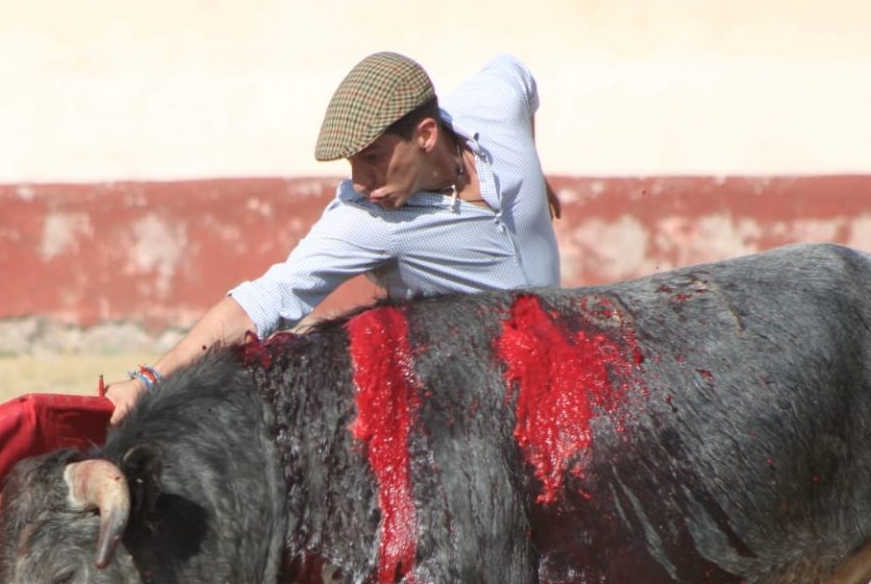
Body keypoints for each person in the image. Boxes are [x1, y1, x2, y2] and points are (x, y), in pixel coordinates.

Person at [105, 51, 563, 422]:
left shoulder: (494, 117)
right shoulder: (363, 218)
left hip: (566, 360)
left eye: (374, 158)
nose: (362, 182)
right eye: (352, 164)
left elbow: (516, 72)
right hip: (476, 407)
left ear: (425, 135)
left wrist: (531, 170)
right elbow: (268, 298)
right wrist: (148, 381)